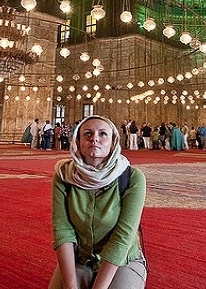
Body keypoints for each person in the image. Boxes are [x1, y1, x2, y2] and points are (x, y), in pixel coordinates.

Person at [49, 115, 147, 289]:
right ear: (77, 141)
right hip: (81, 259)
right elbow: (62, 231)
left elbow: (123, 237)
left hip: (123, 260)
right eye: (87, 134)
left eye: (103, 134)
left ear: (113, 142)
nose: (95, 138)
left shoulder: (132, 178)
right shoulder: (64, 175)